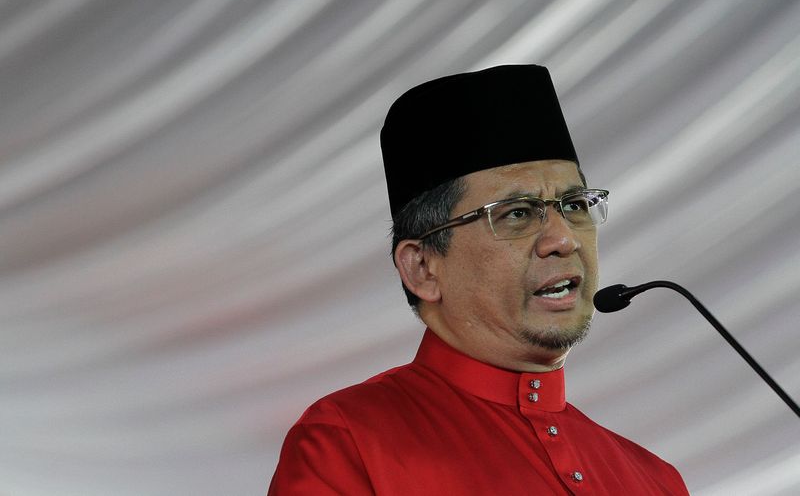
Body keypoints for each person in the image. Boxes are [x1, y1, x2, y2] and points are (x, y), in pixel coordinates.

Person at [269, 65, 689, 495]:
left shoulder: (656, 481)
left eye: (576, 205)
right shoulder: (347, 443)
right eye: (518, 213)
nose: (563, 239)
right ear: (422, 268)